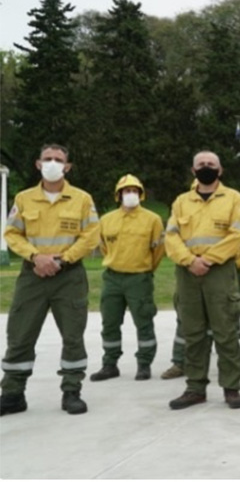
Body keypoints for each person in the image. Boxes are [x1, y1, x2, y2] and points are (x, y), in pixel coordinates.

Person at [1, 144, 100, 416]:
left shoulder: (82, 199)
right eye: (48, 159)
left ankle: (71, 391)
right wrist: (36, 257)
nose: (53, 163)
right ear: (38, 164)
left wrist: (63, 259)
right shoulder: (23, 199)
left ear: (67, 167)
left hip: (69, 276)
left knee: (72, 335)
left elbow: (91, 235)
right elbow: (12, 234)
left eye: (59, 160)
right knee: (20, 333)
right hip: (32, 274)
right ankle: (12, 394)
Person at [165, 150, 240, 410]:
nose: (206, 167)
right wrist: (190, 261)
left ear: (220, 170)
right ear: (193, 171)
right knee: (194, 333)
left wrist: (208, 260)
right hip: (188, 272)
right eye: (201, 164)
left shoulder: (233, 198)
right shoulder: (181, 201)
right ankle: (195, 388)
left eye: (211, 164)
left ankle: (231, 388)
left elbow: (238, 234)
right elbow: (171, 236)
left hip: (220, 271)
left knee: (226, 331)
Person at [91, 174, 165, 383]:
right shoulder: (106, 220)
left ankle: (144, 364)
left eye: (134, 191)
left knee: (144, 322)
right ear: (118, 195)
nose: (130, 194)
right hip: (112, 278)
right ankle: (110, 364)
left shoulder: (152, 220)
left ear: (141, 195)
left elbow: (159, 249)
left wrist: (147, 269)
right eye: (126, 191)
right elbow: (104, 246)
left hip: (139, 278)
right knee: (110, 323)